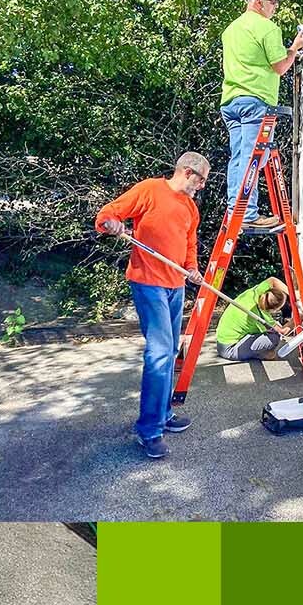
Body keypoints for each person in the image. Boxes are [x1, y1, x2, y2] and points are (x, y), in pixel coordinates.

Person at [96, 153, 208, 460]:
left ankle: (163, 412)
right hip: (148, 282)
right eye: (200, 181)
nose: (201, 188)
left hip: (176, 284)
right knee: (159, 353)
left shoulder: (190, 208)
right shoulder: (149, 190)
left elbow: (189, 242)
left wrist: (192, 267)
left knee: (171, 351)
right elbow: (107, 213)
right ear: (187, 173)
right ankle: (149, 430)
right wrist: (113, 225)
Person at [221, 0, 303, 233]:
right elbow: (280, 66)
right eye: (274, 3)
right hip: (255, 101)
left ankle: (234, 213)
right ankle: (246, 214)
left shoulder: (231, 29)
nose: (275, 8)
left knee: (238, 158)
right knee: (252, 159)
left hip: (231, 101)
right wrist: (294, 48)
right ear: (258, 2)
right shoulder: (267, 29)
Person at [215, 276, 292, 361]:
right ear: (273, 310)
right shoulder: (260, 316)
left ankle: (255, 351)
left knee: (270, 330)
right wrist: (300, 317)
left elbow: (272, 280)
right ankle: (258, 354)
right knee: (274, 337)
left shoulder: (258, 291)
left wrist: (295, 294)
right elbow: (282, 331)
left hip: (222, 341)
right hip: (230, 349)